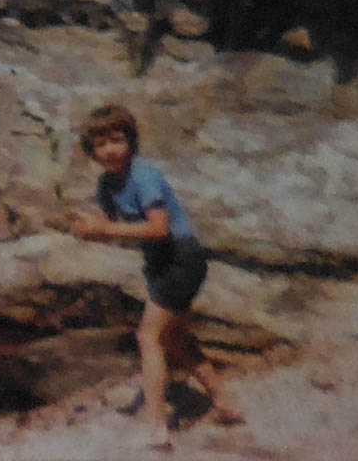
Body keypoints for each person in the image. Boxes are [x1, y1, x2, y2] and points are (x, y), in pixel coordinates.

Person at [70, 104, 242, 449]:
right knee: (175, 338)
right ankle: (225, 404)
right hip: (160, 263)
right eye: (100, 144)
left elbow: (158, 228)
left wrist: (105, 227)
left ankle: (156, 424)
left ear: (131, 142)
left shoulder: (143, 175)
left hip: (181, 257)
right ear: (91, 152)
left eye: (117, 140)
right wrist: (88, 229)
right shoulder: (107, 184)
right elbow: (112, 227)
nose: (109, 150)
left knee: (148, 336)